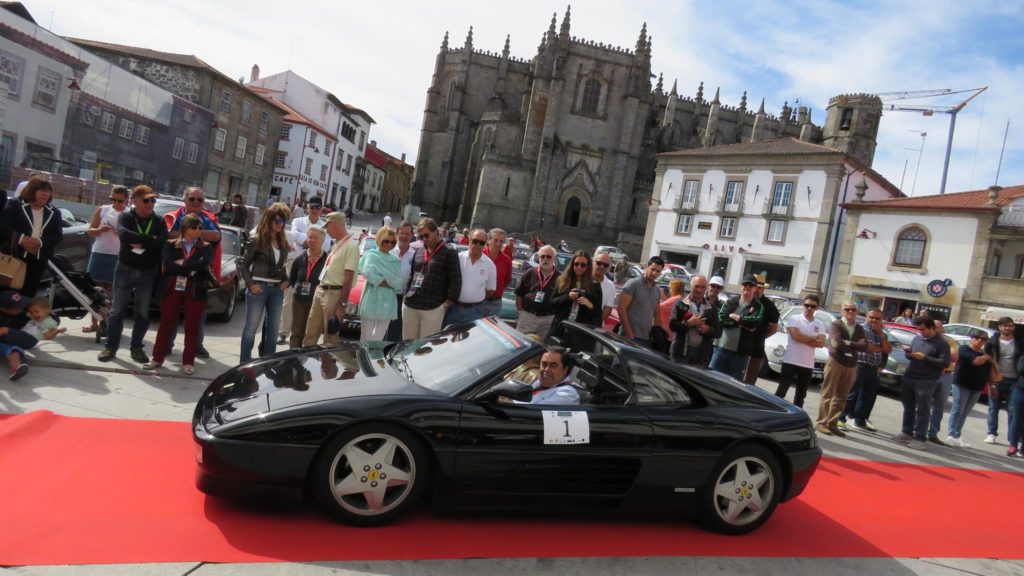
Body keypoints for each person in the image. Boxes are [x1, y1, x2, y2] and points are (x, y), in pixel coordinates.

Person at [99, 186, 168, 363]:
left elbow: (161, 242)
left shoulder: (159, 221)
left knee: (143, 312)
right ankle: (110, 348)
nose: (150, 204)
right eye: (146, 200)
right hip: (125, 268)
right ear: (135, 201)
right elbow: (124, 235)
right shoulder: (126, 216)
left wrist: (143, 243)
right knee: (117, 311)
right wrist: (149, 239)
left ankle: (136, 348)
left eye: (153, 200)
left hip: (147, 271)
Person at [143, 214, 214, 375]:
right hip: (173, 285)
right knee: (166, 323)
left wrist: (185, 262)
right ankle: (157, 358)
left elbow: (203, 266)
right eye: (193, 227)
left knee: (192, 326)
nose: (197, 231)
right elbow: (168, 265)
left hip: (196, 287)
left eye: (200, 228)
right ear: (184, 229)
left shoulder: (206, 247)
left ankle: (188, 362)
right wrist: (191, 268)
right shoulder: (170, 245)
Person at [164, 187, 221, 359]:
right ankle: (166, 345)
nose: (196, 203)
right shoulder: (174, 216)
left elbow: (216, 236)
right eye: (192, 199)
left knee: (197, 314)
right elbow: (168, 234)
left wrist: (190, 232)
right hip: (175, 272)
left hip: (198, 274)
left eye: (200, 200)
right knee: (171, 312)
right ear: (185, 200)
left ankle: (196, 345)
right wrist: (198, 234)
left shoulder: (208, 218)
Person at [238, 203, 292, 363]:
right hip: (258, 287)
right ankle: (244, 363)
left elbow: (280, 267)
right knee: (251, 328)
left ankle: (268, 363)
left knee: (273, 330)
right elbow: (242, 264)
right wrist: (250, 284)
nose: (280, 224)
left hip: (276, 290)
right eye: (276, 221)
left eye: (282, 221)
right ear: (268, 221)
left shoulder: (282, 241)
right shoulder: (257, 239)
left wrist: (286, 280)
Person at [815, 302, 873, 437]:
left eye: (853, 310)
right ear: (843, 312)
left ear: (857, 312)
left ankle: (832, 423)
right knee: (828, 393)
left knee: (842, 397)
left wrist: (848, 343)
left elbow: (864, 346)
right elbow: (836, 343)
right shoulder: (836, 324)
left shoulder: (859, 328)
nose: (850, 312)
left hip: (851, 365)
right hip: (836, 362)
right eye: (847, 309)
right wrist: (853, 348)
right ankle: (821, 423)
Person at [892, 317, 951, 450]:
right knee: (908, 406)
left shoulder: (942, 344)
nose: (921, 332)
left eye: (923, 330)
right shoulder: (917, 338)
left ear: (931, 327)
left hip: (926, 380)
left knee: (923, 410)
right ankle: (906, 432)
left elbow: (945, 363)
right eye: (918, 330)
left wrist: (924, 358)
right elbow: (912, 354)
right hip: (909, 376)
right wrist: (909, 353)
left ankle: (920, 438)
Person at [303, 211, 359, 347]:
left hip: (334, 294)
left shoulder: (351, 246)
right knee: (310, 334)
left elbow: (348, 278)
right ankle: (306, 366)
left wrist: (342, 305)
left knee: (330, 339)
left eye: (327, 227)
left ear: (333, 224)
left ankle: (328, 367)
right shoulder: (337, 244)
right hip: (321, 289)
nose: (327, 231)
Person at [0, 176, 62, 298]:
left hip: (38, 259)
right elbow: (3, 226)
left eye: (48, 191)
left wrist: (38, 242)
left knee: (28, 293)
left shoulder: (54, 212)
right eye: (42, 191)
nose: (45, 194)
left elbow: (57, 236)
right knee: (7, 292)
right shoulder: (15, 204)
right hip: (14, 256)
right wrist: (21, 239)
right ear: (32, 190)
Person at [402, 218, 461, 340]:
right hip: (411, 305)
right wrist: (406, 294)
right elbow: (413, 275)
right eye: (421, 236)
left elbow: (456, 281)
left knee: (425, 348)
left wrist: (446, 305)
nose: (424, 239)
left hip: (433, 308)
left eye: (427, 235)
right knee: (407, 345)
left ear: (436, 232)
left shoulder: (449, 252)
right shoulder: (419, 251)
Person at [83, 185, 128, 333]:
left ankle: (107, 322)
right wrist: (100, 229)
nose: (116, 203)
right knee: (94, 289)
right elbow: (90, 230)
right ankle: (94, 322)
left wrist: (120, 233)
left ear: (126, 200)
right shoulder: (103, 210)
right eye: (113, 199)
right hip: (99, 252)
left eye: (120, 200)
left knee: (109, 291)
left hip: (117, 254)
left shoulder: (129, 214)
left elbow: (132, 236)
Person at [840, 308, 891, 430]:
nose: (874, 320)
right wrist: (879, 348)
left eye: (877, 318)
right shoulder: (860, 329)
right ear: (866, 317)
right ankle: (840, 419)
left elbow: (888, 350)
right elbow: (869, 348)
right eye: (871, 317)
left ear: (881, 320)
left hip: (873, 368)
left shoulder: (881, 334)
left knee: (866, 396)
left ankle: (859, 421)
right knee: (852, 394)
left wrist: (881, 335)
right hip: (860, 365)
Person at [774, 295, 827, 408]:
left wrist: (803, 338)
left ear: (817, 308)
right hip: (791, 360)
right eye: (807, 305)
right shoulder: (794, 318)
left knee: (801, 395)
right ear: (803, 305)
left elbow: (821, 343)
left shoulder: (820, 324)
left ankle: (796, 418)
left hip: (807, 364)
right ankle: (773, 411)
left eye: (812, 306)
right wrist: (813, 338)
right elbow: (796, 336)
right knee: (782, 390)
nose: (809, 308)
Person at [710, 275, 764, 380]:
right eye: (745, 284)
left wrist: (737, 318)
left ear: (755, 288)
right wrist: (742, 323)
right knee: (712, 379)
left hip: (741, 355)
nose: (747, 287)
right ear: (741, 286)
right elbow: (721, 318)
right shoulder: (731, 301)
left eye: (751, 285)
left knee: (734, 385)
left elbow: (754, 322)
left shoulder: (758, 306)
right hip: (721, 349)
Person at [946, 332, 993, 447]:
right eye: (977, 338)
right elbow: (976, 361)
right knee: (958, 409)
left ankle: (957, 435)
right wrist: (987, 357)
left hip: (977, 386)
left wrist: (992, 385)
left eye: (983, 339)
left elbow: (988, 371)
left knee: (965, 412)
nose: (979, 341)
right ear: (972, 338)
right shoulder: (964, 349)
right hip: (961, 383)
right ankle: (951, 435)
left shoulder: (984, 353)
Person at [444, 229, 496, 326]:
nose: (478, 245)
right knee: (446, 339)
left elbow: (490, 290)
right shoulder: (457, 258)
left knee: (471, 341)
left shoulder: (490, 265)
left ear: (485, 244)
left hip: (475, 311)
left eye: (481, 243)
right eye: (475, 241)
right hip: (453, 308)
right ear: (469, 240)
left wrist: (474, 299)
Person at [357, 227, 402, 341]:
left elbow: (398, 282)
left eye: (392, 242)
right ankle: (363, 358)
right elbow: (368, 272)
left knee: (378, 339)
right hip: (372, 298)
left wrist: (381, 279)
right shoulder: (371, 255)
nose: (389, 244)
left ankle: (374, 358)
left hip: (388, 301)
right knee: (366, 338)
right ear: (380, 240)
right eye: (386, 241)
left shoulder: (395, 260)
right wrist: (387, 281)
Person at [984, 317, 1023, 445]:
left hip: (1015, 380)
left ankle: (1012, 437)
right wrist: (989, 378)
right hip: (997, 379)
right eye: (1005, 326)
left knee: (1013, 410)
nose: (1008, 328)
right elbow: (987, 360)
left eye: (1010, 326)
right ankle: (991, 433)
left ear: (1013, 327)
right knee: (993, 408)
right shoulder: (992, 342)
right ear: (999, 327)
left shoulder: (1020, 341)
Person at [287, 226, 327, 348]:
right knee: (296, 331)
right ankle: (293, 358)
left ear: (322, 241)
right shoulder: (300, 258)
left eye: (316, 238)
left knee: (309, 333)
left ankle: (306, 360)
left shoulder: (327, 260)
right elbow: (293, 279)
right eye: (310, 237)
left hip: (316, 301)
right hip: (298, 300)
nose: (312, 240)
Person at [500, 347, 579, 405]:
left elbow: (529, 410)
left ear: (565, 369)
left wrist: (501, 401)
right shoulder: (540, 382)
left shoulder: (567, 395)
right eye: (544, 364)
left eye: (553, 366)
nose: (546, 369)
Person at [668, 275, 718, 366]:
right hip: (680, 352)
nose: (699, 290)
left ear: (706, 288)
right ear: (691, 286)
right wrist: (688, 323)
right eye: (697, 286)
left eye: (702, 287)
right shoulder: (680, 303)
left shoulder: (712, 308)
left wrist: (707, 329)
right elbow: (672, 325)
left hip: (701, 355)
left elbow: (718, 332)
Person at [550, 250, 603, 334]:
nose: (579, 267)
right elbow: (552, 302)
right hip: (561, 327)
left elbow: (598, 313)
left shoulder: (595, 285)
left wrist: (590, 305)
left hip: (580, 331)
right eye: (576, 264)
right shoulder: (563, 280)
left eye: (583, 265)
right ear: (572, 264)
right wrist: (568, 297)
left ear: (588, 266)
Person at [617, 256, 665, 347]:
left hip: (647, 339)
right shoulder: (633, 284)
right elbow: (621, 308)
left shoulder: (657, 290)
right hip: (628, 337)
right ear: (646, 267)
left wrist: (658, 334)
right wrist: (629, 333)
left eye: (658, 271)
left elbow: (657, 314)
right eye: (652, 269)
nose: (654, 273)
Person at [925, 321, 959, 445]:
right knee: (924, 403)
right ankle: (917, 429)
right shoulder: (925, 339)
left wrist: (938, 357)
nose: (935, 328)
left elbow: (954, 356)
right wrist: (942, 357)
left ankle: (933, 433)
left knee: (939, 405)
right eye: (933, 326)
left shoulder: (949, 341)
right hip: (930, 373)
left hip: (946, 375)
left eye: (938, 327)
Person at [514, 245, 559, 338]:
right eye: (542, 256)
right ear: (539, 258)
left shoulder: (561, 277)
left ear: (554, 259)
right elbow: (519, 294)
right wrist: (521, 312)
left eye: (549, 256)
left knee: (541, 347)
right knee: (521, 344)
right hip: (528, 317)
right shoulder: (530, 273)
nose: (545, 259)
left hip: (547, 320)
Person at [742, 274, 780, 384]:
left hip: (756, 350)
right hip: (738, 348)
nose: (757, 290)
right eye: (755, 286)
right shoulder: (742, 300)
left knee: (749, 383)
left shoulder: (769, 306)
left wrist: (760, 337)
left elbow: (773, 328)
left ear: (763, 289)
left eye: (760, 287)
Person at [384, 221, 416, 341]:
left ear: (412, 235)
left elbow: (418, 278)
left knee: (396, 331)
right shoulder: (388, 251)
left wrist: (411, 294)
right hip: (386, 295)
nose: (404, 236)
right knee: (381, 329)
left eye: (407, 233)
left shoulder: (415, 255)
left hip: (402, 298)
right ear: (397, 234)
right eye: (401, 233)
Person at [0, 290, 37, 380]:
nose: (21, 308)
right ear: (3, 308)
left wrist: (7, 331)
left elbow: (31, 340)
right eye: (17, 307)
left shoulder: (23, 316)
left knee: (15, 350)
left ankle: (16, 367)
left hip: (7, 343)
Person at [483, 228, 513, 319]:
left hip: (496, 304)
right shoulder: (481, 255)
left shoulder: (507, 260)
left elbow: (507, 281)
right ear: (489, 240)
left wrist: (498, 291)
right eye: (495, 240)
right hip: (478, 302)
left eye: (501, 241)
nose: (498, 244)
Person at [591, 251, 617, 324]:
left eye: (605, 265)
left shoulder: (610, 285)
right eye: (599, 263)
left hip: (594, 327)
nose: (602, 266)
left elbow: (608, 309)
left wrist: (596, 322)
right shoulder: (583, 278)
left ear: (609, 268)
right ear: (593, 262)